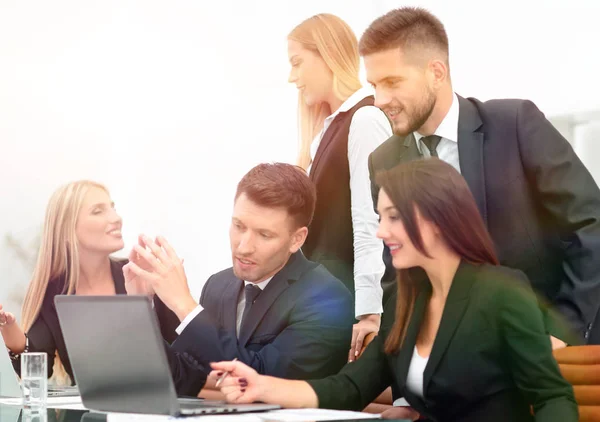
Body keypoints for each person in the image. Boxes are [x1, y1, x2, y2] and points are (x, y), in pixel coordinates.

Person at [209, 159, 578, 422]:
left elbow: (551, 397)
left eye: (394, 217)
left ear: (438, 220)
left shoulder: (501, 292)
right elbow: (350, 387)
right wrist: (261, 387)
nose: (381, 231)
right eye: (381, 217)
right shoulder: (405, 300)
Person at [362, 7, 600, 346]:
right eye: (374, 85)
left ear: (436, 72)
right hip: (458, 361)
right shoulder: (382, 160)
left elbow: (591, 225)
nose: (380, 100)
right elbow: (399, 275)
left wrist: (563, 333)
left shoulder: (516, 124)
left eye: (392, 82)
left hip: (550, 345)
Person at [124, 163, 354, 395]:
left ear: (297, 239)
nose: (243, 247)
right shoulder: (218, 285)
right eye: (238, 226)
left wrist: (185, 306)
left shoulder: (327, 298)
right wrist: (140, 308)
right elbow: (182, 374)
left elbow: (260, 380)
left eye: (264, 235)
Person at [0, 180, 179, 386]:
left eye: (112, 208)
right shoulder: (54, 290)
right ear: (67, 229)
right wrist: (9, 327)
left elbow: (185, 357)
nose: (116, 218)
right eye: (98, 211)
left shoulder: (143, 275)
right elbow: (37, 367)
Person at [287, 13, 393, 359]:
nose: (293, 77)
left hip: (347, 305)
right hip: (323, 303)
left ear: (327, 54)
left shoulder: (364, 119)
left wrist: (369, 311)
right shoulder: (328, 131)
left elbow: (371, 222)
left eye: (297, 63)